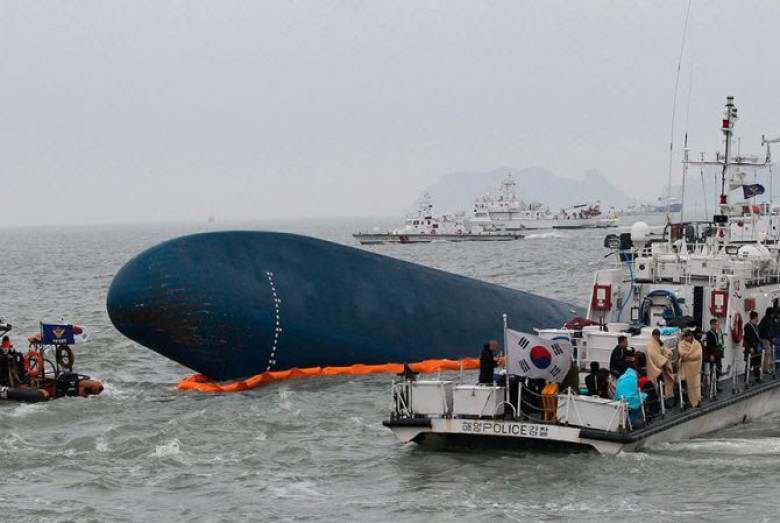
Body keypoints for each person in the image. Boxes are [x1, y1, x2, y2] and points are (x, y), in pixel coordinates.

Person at [646, 328, 675, 403]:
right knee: (657, 384)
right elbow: (653, 355)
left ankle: (668, 396)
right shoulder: (650, 344)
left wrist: (667, 355)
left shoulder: (659, 342)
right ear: (653, 335)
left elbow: (664, 349)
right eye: (656, 335)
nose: (658, 336)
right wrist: (664, 360)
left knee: (667, 380)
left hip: (662, 365)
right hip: (656, 366)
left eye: (658, 335)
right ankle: (659, 400)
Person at [678, 329, 703, 408]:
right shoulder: (681, 344)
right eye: (685, 336)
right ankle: (690, 402)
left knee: (696, 385)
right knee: (687, 386)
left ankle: (697, 401)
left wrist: (688, 356)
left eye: (688, 336)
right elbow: (682, 354)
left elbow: (698, 355)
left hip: (696, 368)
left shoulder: (697, 344)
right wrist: (690, 356)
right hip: (686, 369)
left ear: (691, 336)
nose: (686, 338)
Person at [744, 310, 762, 383]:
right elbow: (748, 337)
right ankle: (746, 379)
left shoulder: (756, 326)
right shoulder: (747, 326)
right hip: (751, 347)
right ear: (754, 317)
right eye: (757, 317)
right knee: (749, 364)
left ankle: (757, 378)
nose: (757, 319)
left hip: (757, 347)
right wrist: (750, 347)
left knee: (757, 363)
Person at [759, 307, 775, 375]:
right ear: (770, 313)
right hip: (765, 339)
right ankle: (766, 368)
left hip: (768, 338)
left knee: (769, 353)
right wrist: (770, 339)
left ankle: (768, 367)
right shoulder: (766, 320)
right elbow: (766, 331)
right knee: (767, 353)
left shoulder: (769, 319)